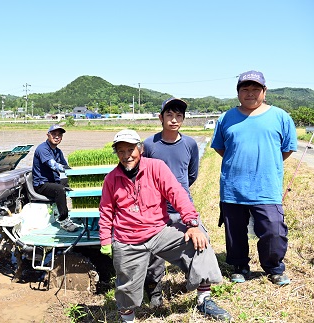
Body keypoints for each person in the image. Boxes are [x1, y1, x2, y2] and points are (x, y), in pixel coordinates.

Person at [99, 129, 231, 322]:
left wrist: (192, 224)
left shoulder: (156, 167)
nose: (127, 156)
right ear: (116, 153)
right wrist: (105, 240)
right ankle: (127, 318)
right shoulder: (111, 179)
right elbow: (106, 211)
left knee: (199, 240)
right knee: (127, 288)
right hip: (128, 239)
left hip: (158, 232)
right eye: (121, 151)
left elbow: (177, 194)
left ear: (140, 149)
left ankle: (204, 299)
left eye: (130, 149)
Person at [211, 70, 297, 285]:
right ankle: (239, 266)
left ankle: (273, 267)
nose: (250, 93)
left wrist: (267, 164)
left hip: (266, 187)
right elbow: (222, 148)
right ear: (238, 92)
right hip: (233, 187)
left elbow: (286, 150)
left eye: (255, 89)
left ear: (264, 91)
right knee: (235, 232)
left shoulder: (281, 117)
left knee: (274, 230)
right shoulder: (226, 118)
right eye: (245, 89)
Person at [141, 97, 200, 308]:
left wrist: (178, 193)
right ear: (160, 118)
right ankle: (155, 291)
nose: (174, 120)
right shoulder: (149, 144)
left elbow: (191, 175)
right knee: (155, 253)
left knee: (194, 244)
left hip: (184, 207)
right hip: (157, 210)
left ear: (183, 119)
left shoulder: (190, 144)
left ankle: (195, 285)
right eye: (169, 115)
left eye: (179, 116)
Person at [32, 124, 79, 232]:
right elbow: (52, 164)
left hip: (54, 181)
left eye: (59, 135)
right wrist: (65, 168)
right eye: (54, 134)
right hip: (41, 184)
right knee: (59, 189)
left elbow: (66, 167)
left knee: (74, 182)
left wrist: (77, 172)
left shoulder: (58, 151)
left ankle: (80, 211)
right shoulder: (42, 149)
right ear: (48, 135)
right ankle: (64, 220)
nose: (57, 137)